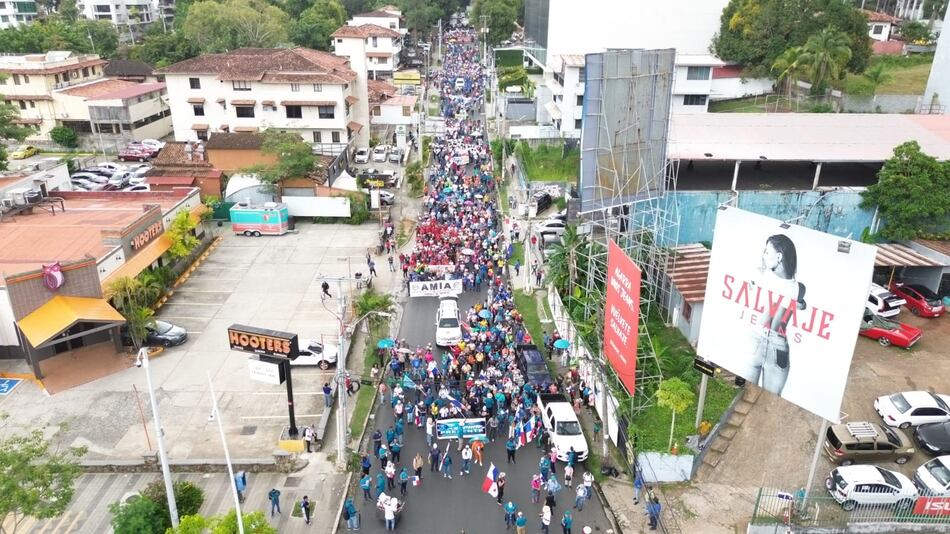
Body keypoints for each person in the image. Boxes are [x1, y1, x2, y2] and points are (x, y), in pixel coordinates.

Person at [746, 234, 804, 395]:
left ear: (779, 256)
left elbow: (801, 304)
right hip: (770, 342)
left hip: (763, 341)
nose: (763, 256)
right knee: (751, 396)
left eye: (766, 252)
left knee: (755, 397)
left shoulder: (760, 275)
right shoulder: (760, 275)